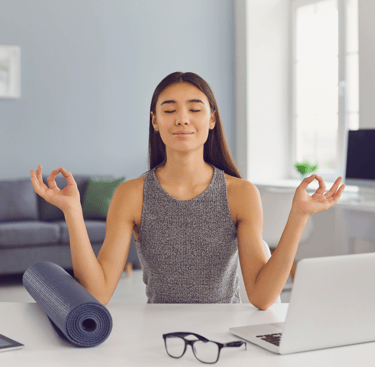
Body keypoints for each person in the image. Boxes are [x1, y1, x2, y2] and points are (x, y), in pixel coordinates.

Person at [30, 71, 346, 309]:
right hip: (158, 333)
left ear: (211, 119)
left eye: (195, 109)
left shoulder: (241, 193)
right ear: (154, 121)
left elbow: (263, 298)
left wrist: (299, 215)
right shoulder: (131, 194)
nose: (182, 119)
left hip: (226, 332)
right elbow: (98, 293)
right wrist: (72, 211)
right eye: (169, 110)